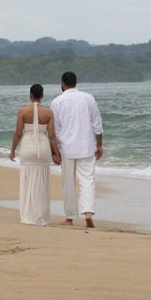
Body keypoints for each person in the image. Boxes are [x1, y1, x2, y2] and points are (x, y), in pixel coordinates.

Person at [50, 71, 103, 228]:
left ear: (63, 84)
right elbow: (97, 125)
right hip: (86, 146)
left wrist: (55, 152)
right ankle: (87, 212)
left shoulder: (57, 102)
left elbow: (55, 129)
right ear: (76, 83)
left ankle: (69, 218)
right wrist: (99, 145)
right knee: (87, 180)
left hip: (66, 147)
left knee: (68, 182)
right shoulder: (88, 98)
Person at [9, 84, 62, 225]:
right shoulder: (49, 113)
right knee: (42, 182)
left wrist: (13, 149)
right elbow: (52, 136)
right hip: (43, 149)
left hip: (27, 148)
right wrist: (57, 153)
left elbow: (18, 133)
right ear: (42, 96)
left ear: (30, 95)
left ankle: (28, 215)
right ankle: (41, 215)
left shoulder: (22, 111)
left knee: (27, 181)